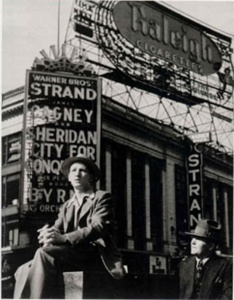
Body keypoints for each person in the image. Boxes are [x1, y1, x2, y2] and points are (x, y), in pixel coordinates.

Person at [13, 154, 126, 299]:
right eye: (73, 171)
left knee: (43, 254)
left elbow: (98, 227)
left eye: (82, 170)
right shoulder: (66, 205)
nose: (77, 174)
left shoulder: (101, 197)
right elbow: (57, 229)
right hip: (72, 253)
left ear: (91, 177)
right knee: (23, 268)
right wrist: (48, 234)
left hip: (94, 253)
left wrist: (64, 238)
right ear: (69, 177)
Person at [179, 219, 232, 299]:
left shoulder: (225, 266)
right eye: (193, 237)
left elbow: (227, 296)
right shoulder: (185, 264)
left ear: (211, 246)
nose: (193, 242)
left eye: (198, 239)